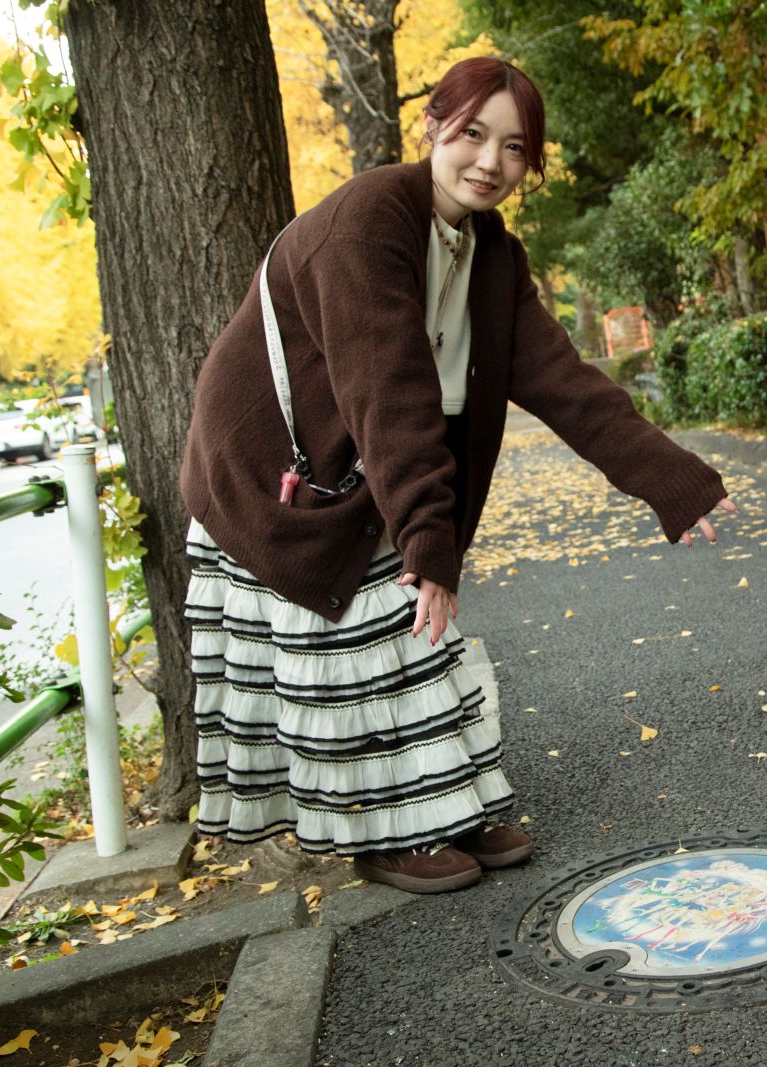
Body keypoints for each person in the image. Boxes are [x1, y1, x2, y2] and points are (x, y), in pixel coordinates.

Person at [180, 56, 735, 895]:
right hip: (275, 474)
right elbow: (389, 389)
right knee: (364, 642)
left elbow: (562, 380)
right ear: (433, 126)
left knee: (413, 638)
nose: (490, 162)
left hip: (365, 464)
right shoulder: (369, 220)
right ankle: (386, 835)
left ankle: (445, 808)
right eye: (473, 134)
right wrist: (429, 542)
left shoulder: (492, 253)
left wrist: (672, 478)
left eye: (514, 148)